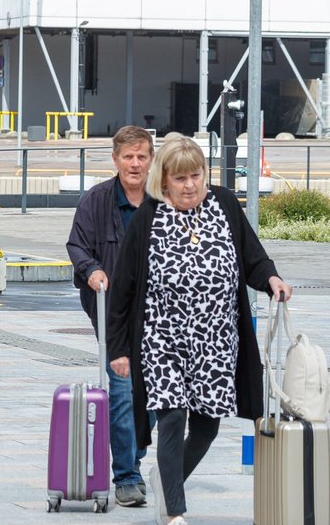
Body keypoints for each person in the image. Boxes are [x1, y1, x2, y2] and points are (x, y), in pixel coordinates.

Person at [107, 136, 293, 525]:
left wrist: (272, 279)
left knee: (207, 425)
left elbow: (252, 256)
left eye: (196, 176)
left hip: (215, 340)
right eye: (180, 179)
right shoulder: (149, 218)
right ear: (165, 180)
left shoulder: (224, 205)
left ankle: (167, 478)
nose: (190, 185)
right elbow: (123, 288)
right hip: (162, 339)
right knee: (172, 417)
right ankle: (175, 512)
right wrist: (119, 349)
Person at [65, 125, 155, 509]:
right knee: (122, 389)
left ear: (152, 159)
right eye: (128, 157)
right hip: (114, 311)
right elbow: (77, 244)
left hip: (160, 313)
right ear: (115, 159)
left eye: (142, 156)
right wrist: (92, 270)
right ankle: (127, 477)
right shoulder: (96, 200)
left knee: (154, 393)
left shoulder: (163, 201)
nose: (135, 164)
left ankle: (131, 453)